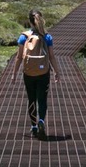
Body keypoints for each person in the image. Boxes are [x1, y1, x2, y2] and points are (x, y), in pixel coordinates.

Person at [11, 9, 57, 140]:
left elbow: (19, 57)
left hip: (28, 73)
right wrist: (57, 72)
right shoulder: (47, 37)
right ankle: (41, 120)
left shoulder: (23, 37)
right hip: (44, 72)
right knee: (42, 98)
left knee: (31, 99)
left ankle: (34, 126)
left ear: (29, 22)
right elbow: (52, 57)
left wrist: (14, 73)